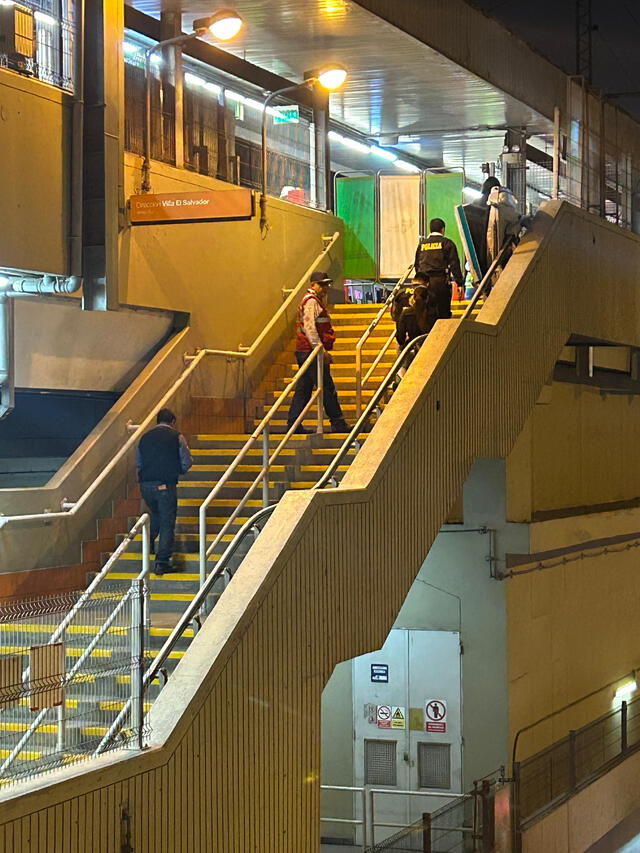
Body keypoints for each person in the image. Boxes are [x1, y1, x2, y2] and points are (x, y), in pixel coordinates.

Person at [286, 271, 351, 434]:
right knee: (327, 387)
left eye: (326, 284)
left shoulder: (313, 301)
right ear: (312, 285)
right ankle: (337, 422)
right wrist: (320, 351)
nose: (325, 288)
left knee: (304, 388)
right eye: (322, 285)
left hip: (306, 351)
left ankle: (293, 424)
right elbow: (310, 328)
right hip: (310, 352)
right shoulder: (311, 302)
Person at [136, 408, 193, 575]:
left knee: (155, 514)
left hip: (146, 485)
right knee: (167, 521)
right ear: (172, 422)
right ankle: (161, 561)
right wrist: (178, 470)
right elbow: (186, 461)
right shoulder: (176, 437)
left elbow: (138, 462)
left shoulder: (144, 438)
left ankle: (149, 546)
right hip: (165, 485)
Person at [414, 218, 464, 320]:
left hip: (424, 283)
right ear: (442, 229)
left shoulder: (422, 244)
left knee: (426, 313)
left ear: (430, 230)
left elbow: (417, 265)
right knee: (443, 312)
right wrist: (459, 283)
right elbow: (454, 264)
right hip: (441, 282)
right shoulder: (447, 243)